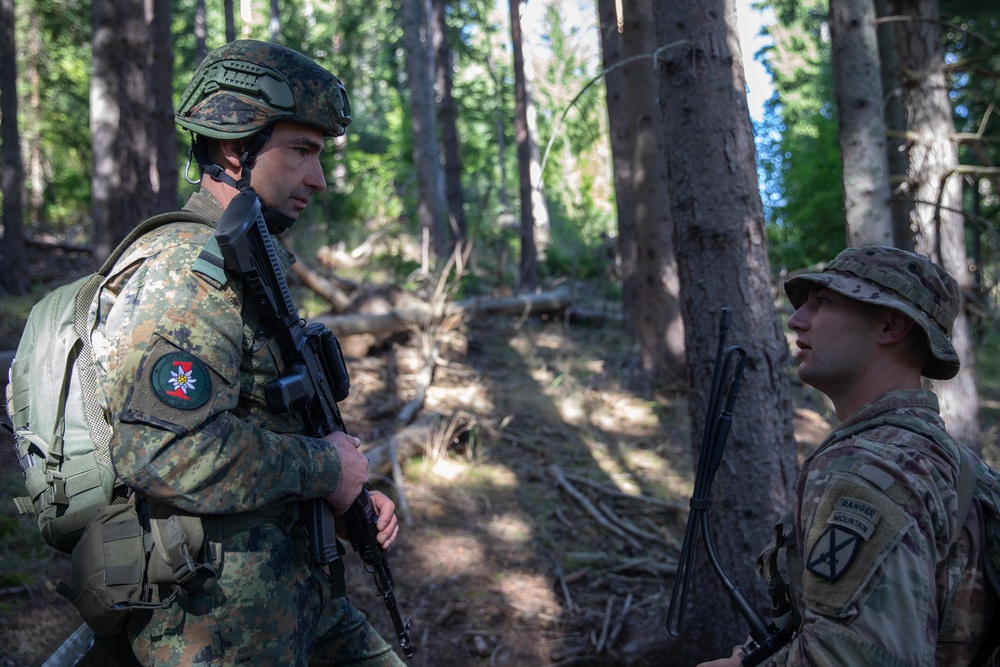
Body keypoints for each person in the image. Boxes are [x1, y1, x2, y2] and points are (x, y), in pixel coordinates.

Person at [89, 40, 404, 666]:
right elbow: (161, 451)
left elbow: (260, 421)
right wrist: (325, 469)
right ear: (235, 149)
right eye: (301, 152)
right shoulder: (188, 270)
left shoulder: (249, 262)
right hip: (217, 629)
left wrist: (342, 502)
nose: (317, 178)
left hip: (295, 602)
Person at [698, 246, 996, 666]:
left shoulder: (871, 469)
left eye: (823, 303)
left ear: (891, 324)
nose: (797, 319)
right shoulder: (952, 462)